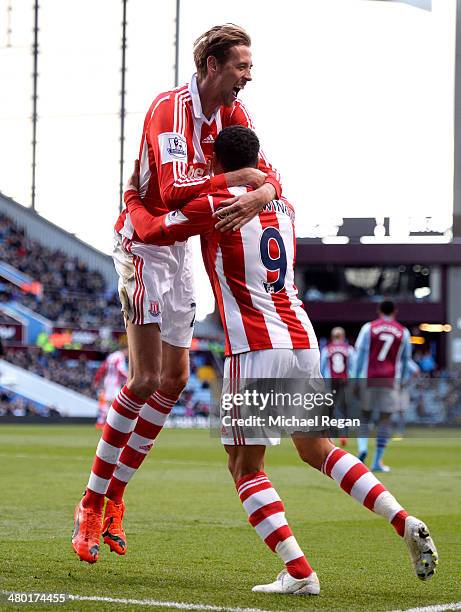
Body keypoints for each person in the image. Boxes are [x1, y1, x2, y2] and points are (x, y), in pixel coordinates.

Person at [124, 126, 438, 594]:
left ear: (215, 162)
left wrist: (133, 193)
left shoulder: (218, 205)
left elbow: (153, 225)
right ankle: (402, 519)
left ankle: (299, 573)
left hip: (254, 348)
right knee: (319, 449)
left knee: (245, 468)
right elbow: (271, 185)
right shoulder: (285, 206)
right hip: (301, 340)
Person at [72, 24, 282, 564]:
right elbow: (169, 191)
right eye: (241, 65)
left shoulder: (233, 115)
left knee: (176, 379)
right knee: (143, 378)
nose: (249, 75)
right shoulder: (169, 109)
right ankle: (91, 503)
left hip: (180, 244)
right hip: (142, 240)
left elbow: (272, 176)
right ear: (212, 65)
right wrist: (239, 179)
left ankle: (118, 493)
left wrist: (259, 189)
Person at [354, 300, 412, 471]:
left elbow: (360, 356)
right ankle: (377, 461)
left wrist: (356, 378)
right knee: (384, 421)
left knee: (364, 416)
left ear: (379, 310)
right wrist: (402, 382)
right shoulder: (404, 332)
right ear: (395, 311)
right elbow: (406, 361)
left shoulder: (368, 328)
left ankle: (362, 448)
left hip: (369, 378)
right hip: (390, 380)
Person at [320, 327, 355, 446]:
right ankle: (343, 434)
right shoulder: (349, 349)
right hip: (344, 381)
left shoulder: (327, 349)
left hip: (330, 381)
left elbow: (321, 367)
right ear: (343, 336)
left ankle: (329, 436)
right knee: (342, 408)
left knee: (329, 409)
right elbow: (352, 367)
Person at [92, 346, 129, 429]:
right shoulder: (120, 356)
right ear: (125, 350)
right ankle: (108, 423)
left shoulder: (111, 356)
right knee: (115, 402)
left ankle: (101, 422)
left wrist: (97, 379)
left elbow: (103, 368)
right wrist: (129, 378)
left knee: (108, 402)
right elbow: (121, 369)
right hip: (114, 383)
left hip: (108, 381)